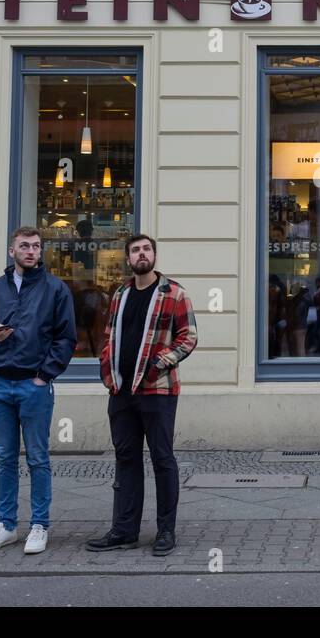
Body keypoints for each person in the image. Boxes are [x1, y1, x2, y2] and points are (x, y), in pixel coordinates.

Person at [86, 234, 197, 556]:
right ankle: (124, 530)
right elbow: (109, 336)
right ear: (128, 259)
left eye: (146, 249)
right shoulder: (120, 293)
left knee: (163, 459)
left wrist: (159, 362)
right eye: (135, 250)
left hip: (157, 390)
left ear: (155, 256)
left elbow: (188, 337)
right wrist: (107, 370)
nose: (141, 254)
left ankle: (165, 531)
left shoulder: (174, 293)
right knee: (126, 460)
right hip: (120, 391)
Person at [0, 227, 76, 555]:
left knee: (38, 457)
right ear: (11, 251)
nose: (31, 251)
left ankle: (39, 525)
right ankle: (6, 525)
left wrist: (44, 376)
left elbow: (65, 338)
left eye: (36, 246)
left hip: (34, 385)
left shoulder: (55, 289)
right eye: (24, 246)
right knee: (4, 457)